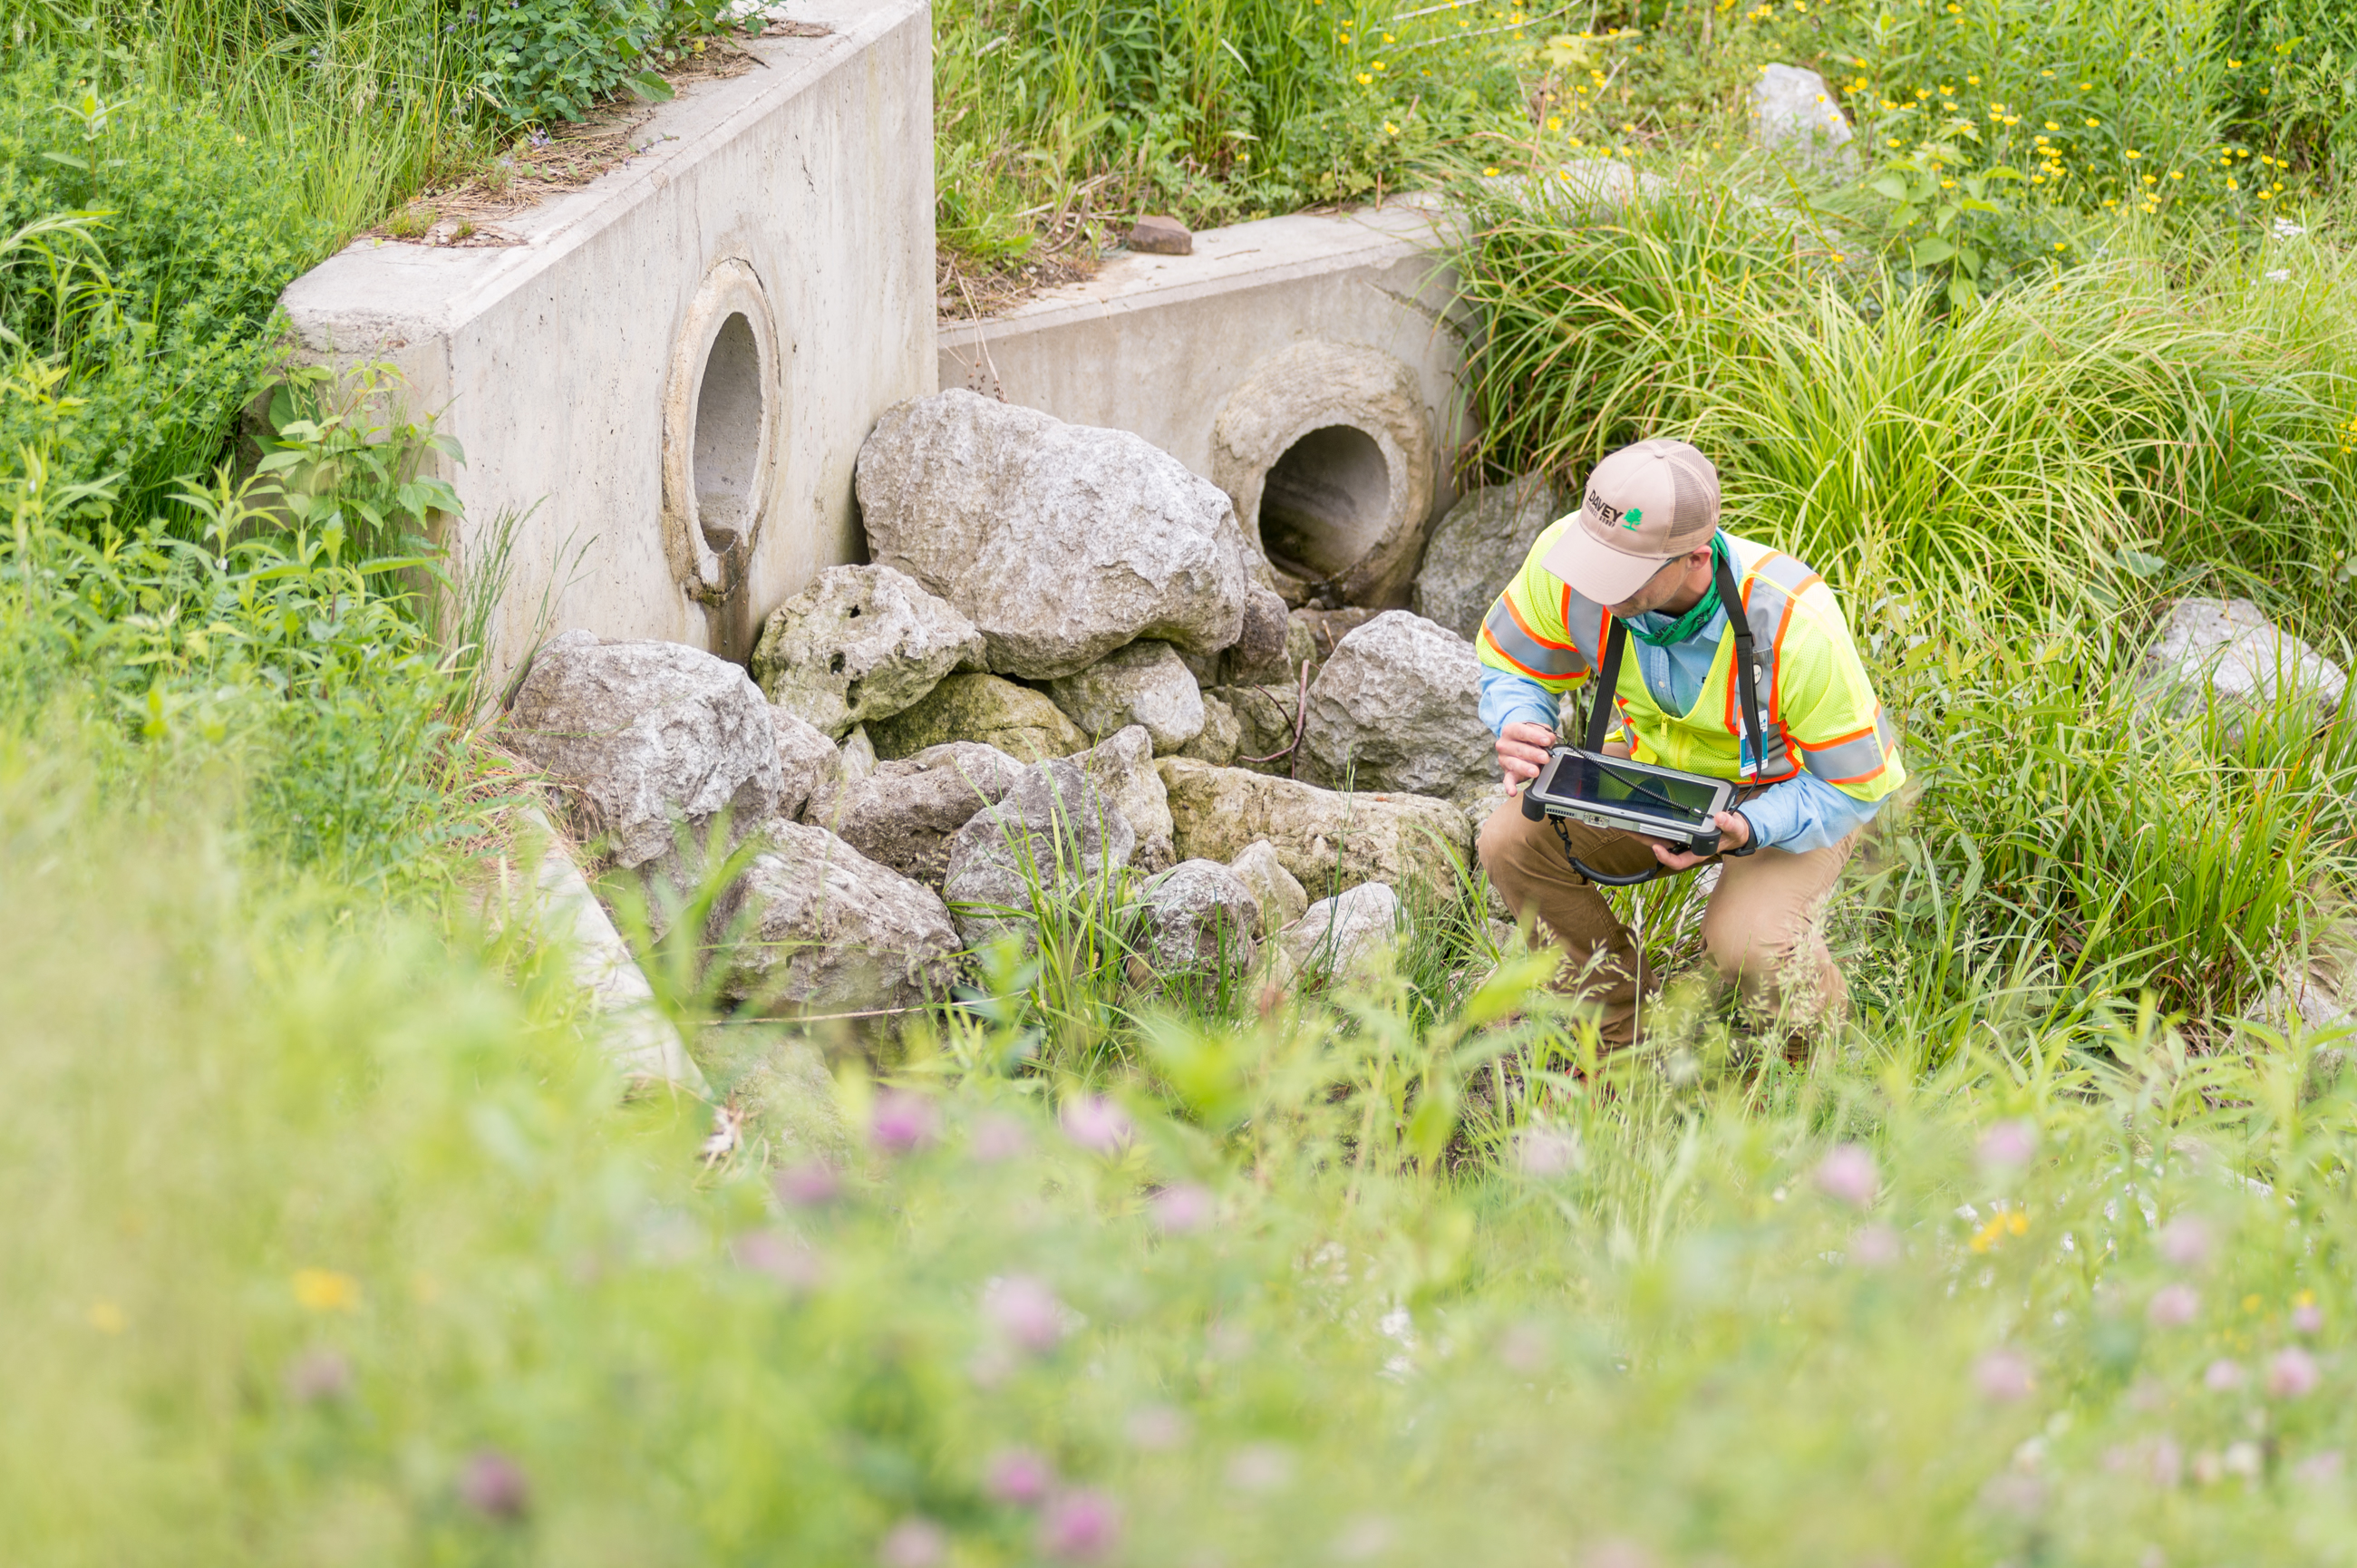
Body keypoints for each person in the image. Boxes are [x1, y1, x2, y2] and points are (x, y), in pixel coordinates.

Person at [1472, 438, 1904, 1050]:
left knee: (1748, 945)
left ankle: (1819, 1066)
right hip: (1654, 775)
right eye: (1593, 562)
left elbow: (1855, 787)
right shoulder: (1569, 562)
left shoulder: (1794, 624)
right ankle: (1623, 1037)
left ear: (1696, 557)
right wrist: (1520, 719)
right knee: (1510, 841)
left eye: (1619, 576)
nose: (1595, 588)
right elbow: (1514, 663)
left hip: (1786, 792)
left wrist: (1749, 828)